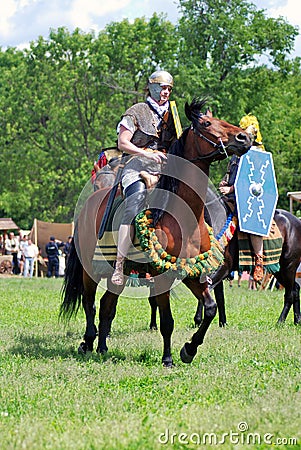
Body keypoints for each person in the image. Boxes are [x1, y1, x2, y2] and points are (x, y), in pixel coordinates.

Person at [111, 70, 177, 285]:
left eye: (168, 88)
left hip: (165, 168)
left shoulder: (173, 114)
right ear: (151, 87)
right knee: (134, 205)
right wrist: (147, 153)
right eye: (162, 87)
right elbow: (123, 143)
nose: (165, 92)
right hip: (136, 166)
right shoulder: (137, 111)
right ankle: (119, 264)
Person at [219, 114, 265, 282]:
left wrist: (230, 188)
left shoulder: (257, 154)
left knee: (252, 222)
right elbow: (231, 172)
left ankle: (259, 260)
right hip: (232, 197)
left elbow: (253, 180)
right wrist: (225, 181)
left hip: (249, 199)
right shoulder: (237, 153)